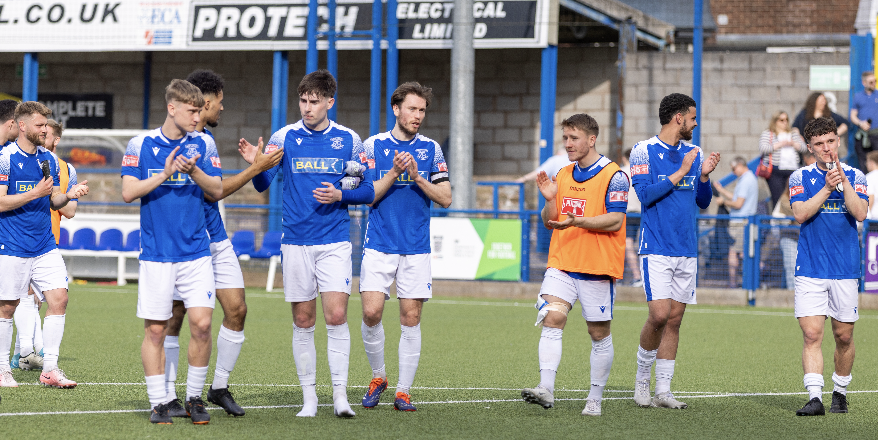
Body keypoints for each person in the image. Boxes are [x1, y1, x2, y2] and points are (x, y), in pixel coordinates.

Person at [248, 70, 376, 418]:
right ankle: (309, 399)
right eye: (303, 101)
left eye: (314, 101)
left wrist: (341, 193)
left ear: (329, 102)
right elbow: (262, 184)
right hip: (296, 243)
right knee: (303, 321)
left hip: (334, 241)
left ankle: (339, 397)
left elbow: (368, 190)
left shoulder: (349, 140)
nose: (307, 107)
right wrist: (256, 165)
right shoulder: (284, 136)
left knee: (336, 316)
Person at [161, 70, 284, 419]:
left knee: (237, 310)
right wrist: (256, 168)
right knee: (176, 317)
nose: (222, 109)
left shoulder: (207, 142)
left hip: (217, 240)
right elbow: (217, 190)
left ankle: (217, 388)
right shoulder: (173, 142)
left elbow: (213, 193)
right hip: (185, 245)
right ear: (204, 100)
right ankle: (171, 396)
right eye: (219, 102)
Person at [121, 79, 223, 425]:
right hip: (156, 254)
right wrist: (165, 173)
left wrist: (193, 170)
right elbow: (128, 192)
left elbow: (217, 190)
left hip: (196, 253)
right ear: (172, 108)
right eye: (192, 111)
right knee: (155, 330)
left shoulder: (204, 144)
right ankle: (160, 402)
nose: (198, 117)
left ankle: (194, 398)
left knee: (202, 323)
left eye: (200, 110)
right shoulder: (141, 144)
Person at [520, 113, 629, 417]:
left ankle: (594, 398)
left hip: (597, 267)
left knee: (598, 334)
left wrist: (578, 221)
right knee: (552, 318)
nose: (567, 144)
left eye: (574, 138)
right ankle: (546, 388)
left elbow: (616, 219)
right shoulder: (564, 174)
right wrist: (549, 201)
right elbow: (551, 223)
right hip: (562, 262)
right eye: (565, 138)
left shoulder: (615, 175)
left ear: (591, 140)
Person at [358, 82, 451, 412]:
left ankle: (403, 391)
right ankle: (378, 376)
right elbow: (367, 193)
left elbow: (446, 198)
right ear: (396, 109)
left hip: (416, 247)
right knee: (371, 313)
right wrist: (395, 171)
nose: (418, 115)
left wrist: (417, 177)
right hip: (379, 244)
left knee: (410, 318)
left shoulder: (431, 150)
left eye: (422, 110)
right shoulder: (373, 146)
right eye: (412, 108)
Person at [628, 93, 720, 409]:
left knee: (675, 320)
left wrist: (704, 175)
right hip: (656, 246)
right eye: (693, 117)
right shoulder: (643, 151)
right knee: (658, 315)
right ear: (678, 117)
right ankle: (642, 381)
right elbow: (644, 196)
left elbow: (703, 201)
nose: (696, 123)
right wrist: (681, 171)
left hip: (686, 249)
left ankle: (663, 391)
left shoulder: (695, 152)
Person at [0, 102, 89, 388]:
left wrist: (70, 195)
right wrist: (34, 193)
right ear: (22, 126)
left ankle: (50, 369)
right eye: (39, 125)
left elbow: (54, 200)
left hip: (45, 246)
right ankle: (2, 369)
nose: (44, 130)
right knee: (7, 307)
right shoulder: (5, 158)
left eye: (46, 126)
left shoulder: (46, 159)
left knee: (59, 299)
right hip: (11, 246)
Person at [788, 117, 868, 416]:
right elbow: (800, 214)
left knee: (844, 336)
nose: (826, 148)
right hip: (810, 268)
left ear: (838, 141)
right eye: (819, 144)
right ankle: (815, 397)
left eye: (831, 141)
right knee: (811, 335)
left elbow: (860, 212)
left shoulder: (857, 176)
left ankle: (840, 391)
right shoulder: (800, 177)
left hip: (845, 269)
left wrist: (842, 180)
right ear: (810, 147)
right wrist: (825, 189)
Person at [12, 119, 78, 371]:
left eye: (46, 132)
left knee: (40, 300)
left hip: (49, 239)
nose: (40, 135)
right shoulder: (19, 159)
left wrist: (65, 196)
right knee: (24, 297)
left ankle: (26, 352)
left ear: (55, 139)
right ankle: (27, 351)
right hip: (19, 238)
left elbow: (69, 211)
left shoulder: (64, 168)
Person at [713, 157, 759, 288]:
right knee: (743, 253)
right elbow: (737, 198)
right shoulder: (748, 179)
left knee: (735, 253)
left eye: (734, 169)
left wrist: (723, 202)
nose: (733, 172)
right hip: (744, 222)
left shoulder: (746, 180)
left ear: (740, 165)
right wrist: (721, 191)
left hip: (740, 223)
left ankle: (734, 284)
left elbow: (738, 203)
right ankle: (753, 275)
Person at [759, 111, 807, 206]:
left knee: (795, 198)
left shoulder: (793, 134)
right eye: (781, 120)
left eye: (786, 120)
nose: (785, 122)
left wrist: (793, 143)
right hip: (776, 170)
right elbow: (763, 148)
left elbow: (804, 148)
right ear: (775, 121)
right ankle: (778, 219)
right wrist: (780, 144)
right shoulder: (768, 133)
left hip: (793, 170)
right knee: (777, 198)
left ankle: (792, 219)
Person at [620, 148, 643, 287]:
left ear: (624, 158)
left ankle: (636, 276)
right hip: (642, 213)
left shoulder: (621, 172)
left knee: (627, 246)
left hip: (626, 213)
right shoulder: (643, 173)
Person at [850, 71, 878, 172]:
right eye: (871, 82)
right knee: (864, 164)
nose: (873, 84)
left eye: (875, 81)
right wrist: (861, 123)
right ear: (864, 83)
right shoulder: (858, 96)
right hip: (863, 135)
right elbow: (853, 116)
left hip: (876, 135)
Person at [866, 151, 878, 220]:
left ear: (871, 163)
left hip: (874, 220)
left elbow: (870, 198)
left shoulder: (869, 177)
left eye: (867, 162)